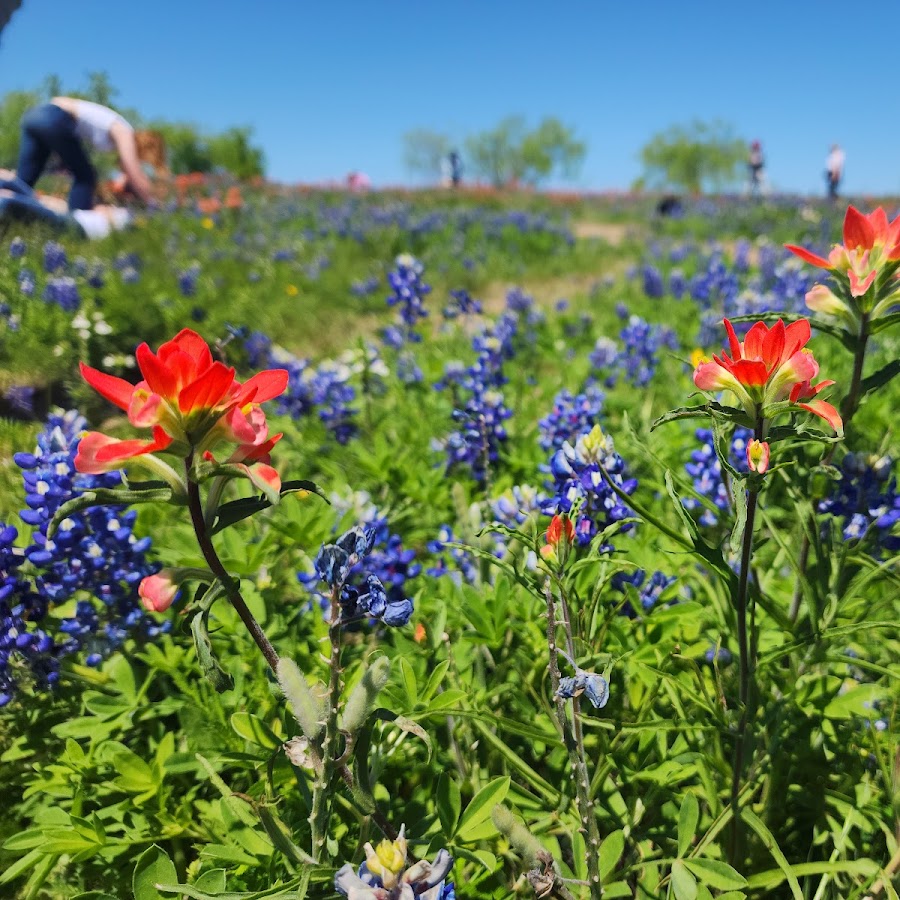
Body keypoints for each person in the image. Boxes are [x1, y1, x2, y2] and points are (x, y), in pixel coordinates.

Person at [16, 96, 154, 211]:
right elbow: (132, 169)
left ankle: (9, 214)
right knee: (85, 176)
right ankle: (77, 224)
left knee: (23, 181)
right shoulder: (125, 131)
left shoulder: (112, 128)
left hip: (33, 115)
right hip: (52, 116)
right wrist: (151, 202)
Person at [0, 168, 131, 239]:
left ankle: (37, 199)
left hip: (77, 227)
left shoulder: (126, 216)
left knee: (6, 203)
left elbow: (114, 222)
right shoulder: (104, 211)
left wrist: (107, 211)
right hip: (70, 216)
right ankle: (37, 199)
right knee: (6, 183)